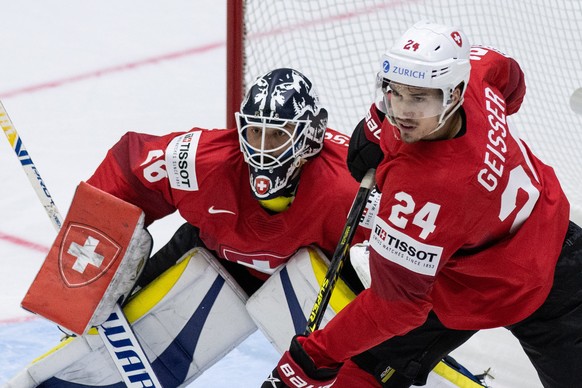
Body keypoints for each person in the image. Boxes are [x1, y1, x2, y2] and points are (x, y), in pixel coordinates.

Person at [263, 21, 582, 388]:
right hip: (470, 270)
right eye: (394, 93)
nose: (401, 111)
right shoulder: (476, 77)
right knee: (360, 373)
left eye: (419, 98)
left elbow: (396, 307)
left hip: (551, 282)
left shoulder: (421, 191)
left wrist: (314, 356)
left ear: (454, 92)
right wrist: (376, 125)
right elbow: (508, 75)